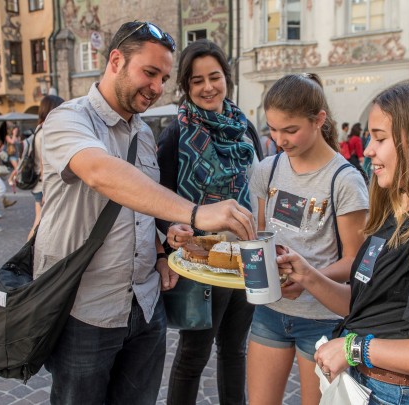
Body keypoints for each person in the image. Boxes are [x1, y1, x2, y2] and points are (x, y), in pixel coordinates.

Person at [35, 21, 255, 404]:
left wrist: (163, 246)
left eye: (164, 78)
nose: (156, 88)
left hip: (144, 305)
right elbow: (103, 174)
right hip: (87, 311)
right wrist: (197, 214)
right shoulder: (68, 119)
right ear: (116, 60)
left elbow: (142, 209)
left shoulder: (145, 133)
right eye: (149, 73)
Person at [277, 79, 409, 404]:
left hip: (402, 394)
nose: (368, 149)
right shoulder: (395, 214)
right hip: (376, 387)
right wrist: (307, 276)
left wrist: (354, 348)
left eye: (380, 138)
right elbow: (366, 306)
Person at [247, 73, 369, 405]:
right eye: (272, 129)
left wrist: (308, 279)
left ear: (319, 120)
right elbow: (261, 237)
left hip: (322, 318)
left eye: (290, 130)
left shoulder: (345, 180)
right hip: (270, 310)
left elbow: (355, 262)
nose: (279, 139)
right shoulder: (267, 169)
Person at [156, 39, 263, 405]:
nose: (207, 87)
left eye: (214, 77)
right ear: (186, 87)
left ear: (226, 79)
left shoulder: (244, 128)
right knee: (193, 355)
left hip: (244, 256)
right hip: (201, 259)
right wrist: (172, 231)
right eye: (196, 80)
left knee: (235, 350)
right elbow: (159, 198)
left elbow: (257, 185)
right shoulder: (176, 133)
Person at [16, 95, 65, 240]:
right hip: (42, 185)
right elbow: (45, 163)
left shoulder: (39, 129)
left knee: (41, 221)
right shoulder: (45, 132)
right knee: (39, 222)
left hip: (39, 184)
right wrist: (46, 190)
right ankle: (28, 255)